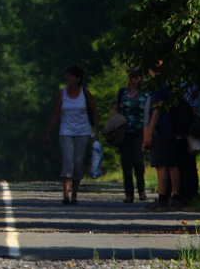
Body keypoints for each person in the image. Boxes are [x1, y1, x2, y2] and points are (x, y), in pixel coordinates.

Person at [142, 65, 197, 211]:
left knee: (160, 165)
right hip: (172, 129)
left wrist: (149, 133)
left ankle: (162, 198)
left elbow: (156, 110)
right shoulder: (170, 84)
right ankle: (176, 197)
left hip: (161, 129)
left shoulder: (157, 86)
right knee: (173, 164)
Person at [44, 66, 98, 205]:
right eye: (67, 75)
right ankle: (66, 193)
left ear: (78, 79)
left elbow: (94, 111)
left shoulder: (85, 92)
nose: (67, 78)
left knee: (78, 163)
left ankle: (75, 194)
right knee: (68, 160)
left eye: (70, 76)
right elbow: (55, 114)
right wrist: (48, 133)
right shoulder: (62, 93)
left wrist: (96, 132)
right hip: (66, 131)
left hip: (83, 132)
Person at [110, 67, 149, 203]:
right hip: (124, 131)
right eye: (131, 76)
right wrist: (116, 121)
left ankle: (141, 189)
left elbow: (149, 111)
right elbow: (115, 110)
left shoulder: (146, 93)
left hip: (140, 130)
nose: (133, 79)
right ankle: (129, 193)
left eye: (136, 76)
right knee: (126, 163)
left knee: (138, 161)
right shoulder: (122, 93)